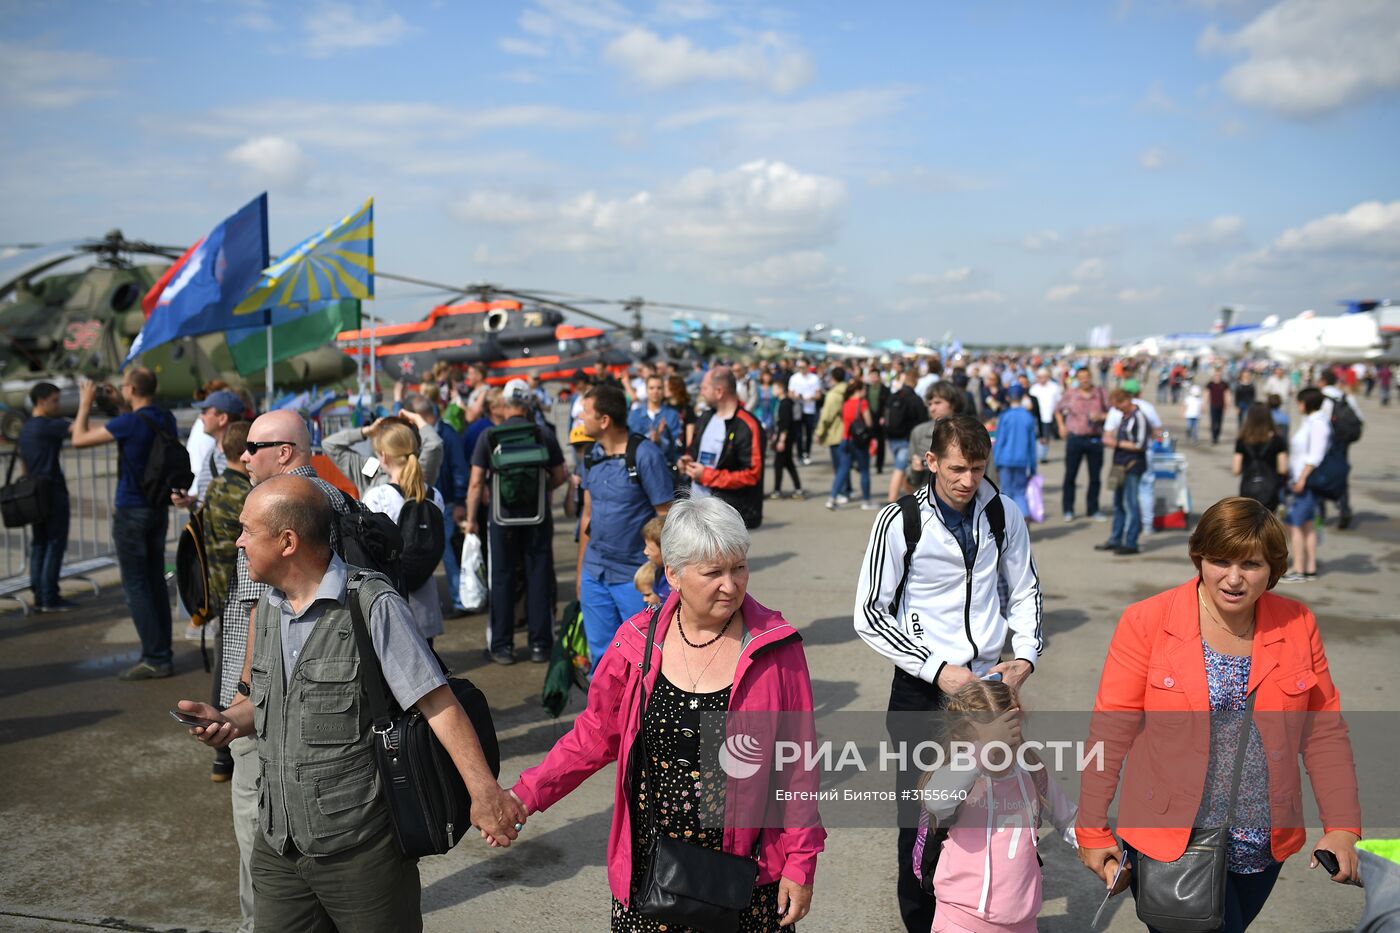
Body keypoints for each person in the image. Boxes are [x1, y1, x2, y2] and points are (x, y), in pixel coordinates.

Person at [175, 475, 525, 932]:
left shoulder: (371, 605)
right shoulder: (267, 610)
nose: (238, 542)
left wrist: (484, 794)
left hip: (362, 854)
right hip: (279, 847)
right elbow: (263, 706)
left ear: (287, 541)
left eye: (247, 531)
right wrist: (226, 721)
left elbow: (439, 705)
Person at [510, 496, 825, 931]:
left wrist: (801, 862)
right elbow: (596, 734)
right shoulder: (637, 642)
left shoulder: (776, 649)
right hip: (652, 872)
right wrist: (526, 795)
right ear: (673, 574)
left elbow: (798, 768)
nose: (731, 586)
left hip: (744, 880)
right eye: (713, 572)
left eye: (739, 568)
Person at [1076, 497, 1362, 932]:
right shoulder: (1148, 622)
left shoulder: (1297, 623)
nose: (1233, 579)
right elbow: (1109, 733)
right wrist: (1092, 831)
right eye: (1219, 560)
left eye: (1250, 564)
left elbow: (1324, 734)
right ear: (1199, 557)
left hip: (1261, 848)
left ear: (1273, 568)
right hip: (1170, 842)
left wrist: (1342, 825)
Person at [853, 415, 1043, 933]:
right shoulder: (899, 521)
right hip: (922, 692)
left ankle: (980, 914)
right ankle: (923, 923)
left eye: (977, 469)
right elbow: (869, 612)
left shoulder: (1003, 513)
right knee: (922, 819)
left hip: (987, 689)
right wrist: (936, 670)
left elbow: (1023, 590)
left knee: (992, 808)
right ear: (930, 461)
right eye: (956, 468)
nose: (967, 480)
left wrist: (1023, 658)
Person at [222, 409, 375, 930]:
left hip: (277, 711)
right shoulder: (334, 500)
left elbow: (264, 610)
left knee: (261, 837)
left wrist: (242, 699)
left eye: (253, 446)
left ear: (285, 452)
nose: (243, 455)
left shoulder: (289, 511)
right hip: (283, 707)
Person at [920, 681, 1078, 933]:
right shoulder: (958, 774)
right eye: (995, 746)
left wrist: (1098, 848)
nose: (1002, 753)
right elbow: (937, 801)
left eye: (1009, 740)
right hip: (961, 921)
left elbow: (1068, 818)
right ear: (961, 735)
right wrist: (983, 752)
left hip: (1023, 922)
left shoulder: (1031, 774)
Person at [71, 368, 180, 680]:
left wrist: (85, 402)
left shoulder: (129, 422)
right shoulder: (165, 417)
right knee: (155, 582)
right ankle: (161, 652)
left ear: (131, 388)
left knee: (136, 587)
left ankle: (156, 658)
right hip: (157, 509)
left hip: (132, 510)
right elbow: (138, 425)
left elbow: (79, 439)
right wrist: (122, 402)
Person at [466, 381, 568, 664]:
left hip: (502, 518)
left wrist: (472, 519)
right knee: (539, 577)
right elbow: (560, 476)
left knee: (501, 579)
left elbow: (476, 483)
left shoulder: (489, 436)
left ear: (505, 404)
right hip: (537, 517)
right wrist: (540, 488)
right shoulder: (542, 433)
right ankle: (540, 645)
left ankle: (501, 646)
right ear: (528, 403)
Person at [576, 383, 675, 670]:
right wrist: (583, 572)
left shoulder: (646, 455)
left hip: (635, 579)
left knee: (642, 659)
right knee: (601, 660)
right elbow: (587, 515)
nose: (580, 419)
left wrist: (662, 582)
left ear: (604, 421)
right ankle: (603, 715)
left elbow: (665, 519)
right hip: (595, 574)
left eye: (585, 414)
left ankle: (637, 715)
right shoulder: (591, 456)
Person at [361, 418, 447, 645]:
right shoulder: (434, 495)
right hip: (425, 596)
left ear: (384, 456)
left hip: (390, 597)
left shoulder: (376, 497)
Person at [407, 393, 470, 617]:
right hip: (435, 503)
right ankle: (457, 598)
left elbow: (459, 469)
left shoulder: (447, 435)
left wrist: (461, 501)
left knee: (446, 553)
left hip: (446, 503)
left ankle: (459, 600)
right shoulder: (439, 434)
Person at [679, 366, 765, 528]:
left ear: (719, 391)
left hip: (726, 515)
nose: (701, 392)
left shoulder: (747, 425)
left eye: (704, 388)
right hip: (697, 510)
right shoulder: (705, 417)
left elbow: (752, 473)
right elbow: (694, 450)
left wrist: (707, 476)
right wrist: (687, 460)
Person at [17, 382, 77, 613]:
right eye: (55, 400)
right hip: (52, 492)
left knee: (40, 543)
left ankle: (40, 594)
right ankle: (49, 595)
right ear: (41, 401)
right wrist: (85, 406)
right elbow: (78, 429)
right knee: (53, 544)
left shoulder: (26, 428)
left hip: (34, 494)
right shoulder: (48, 426)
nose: (58, 405)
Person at [323, 407, 442, 497]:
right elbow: (329, 445)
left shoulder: (417, 470)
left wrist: (366, 432)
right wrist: (417, 419)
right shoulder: (372, 468)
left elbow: (329, 444)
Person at [1281, 387, 1330, 583]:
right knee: (1307, 524)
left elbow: (1315, 456)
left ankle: (1299, 568)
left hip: (1307, 481)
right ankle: (1310, 567)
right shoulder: (1311, 421)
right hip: (1304, 479)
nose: (1298, 406)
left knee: (1294, 523)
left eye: (1300, 402)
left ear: (1306, 403)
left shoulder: (1318, 423)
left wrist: (1301, 478)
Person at [1095, 388, 1150, 556]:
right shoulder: (1124, 417)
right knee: (1118, 503)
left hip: (1132, 465)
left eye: (1117, 405)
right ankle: (1115, 538)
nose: (1116, 409)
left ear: (1125, 401)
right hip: (1120, 465)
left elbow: (1141, 445)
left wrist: (1116, 443)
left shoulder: (1139, 418)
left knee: (1131, 504)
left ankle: (1131, 541)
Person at [1054, 367, 1111, 523]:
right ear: (1077, 379)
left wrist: (1102, 416)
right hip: (1075, 438)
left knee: (1095, 477)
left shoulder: (1101, 393)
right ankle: (1068, 509)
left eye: (1086, 377)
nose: (1084, 380)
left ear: (1091, 377)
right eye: (1081, 377)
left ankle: (1093, 508)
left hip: (1095, 438)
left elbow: (1113, 413)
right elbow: (1058, 410)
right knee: (1070, 475)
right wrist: (1061, 426)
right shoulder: (1071, 393)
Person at [1318, 370, 1363, 529]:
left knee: (1320, 476)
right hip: (1342, 442)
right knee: (1341, 473)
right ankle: (1344, 509)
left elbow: (1319, 423)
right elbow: (1360, 418)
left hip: (1326, 443)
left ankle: (1320, 514)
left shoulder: (1321, 397)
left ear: (1323, 381)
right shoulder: (1345, 396)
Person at [905, 382, 968, 491]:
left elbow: (987, 473)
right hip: (929, 499)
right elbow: (912, 480)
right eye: (929, 404)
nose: (932, 408)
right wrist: (915, 469)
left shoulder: (970, 431)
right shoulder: (919, 432)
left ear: (953, 404)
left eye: (937, 403)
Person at [884, 367, 929, 503]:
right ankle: (891, 501)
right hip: (907, 440)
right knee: (899, 469)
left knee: (903, 469)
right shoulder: (915, 399)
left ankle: (912, 498)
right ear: (915, 381)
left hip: (892, 439)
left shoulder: (894, 396)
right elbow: (923, 422)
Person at [991, 385, 1038, 516]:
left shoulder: (1005, 417)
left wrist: (995, 460)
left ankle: (1009, 524)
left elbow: (1000, 441)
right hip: (1022, 460)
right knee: (1020, 492)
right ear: (1023, 397)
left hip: (1004, 459)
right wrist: (1033, 466)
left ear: (1007, 397)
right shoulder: (1028, 417)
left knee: (1006, 492)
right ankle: (1024, 519)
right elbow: (1031, 445)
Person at [831, 379, 877, 511]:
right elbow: (868, 423)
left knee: (843, 469)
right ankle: (866, 500)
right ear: (860, 390)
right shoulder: (863, 403)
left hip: (845, 439)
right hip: (859, 441)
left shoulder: (845, 403)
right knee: (864, 471)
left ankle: (832, 498)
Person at [1233, 403, 1288, 512]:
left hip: (1248, 487)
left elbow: (1236, 470)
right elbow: (1283, 469)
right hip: (1270, 487)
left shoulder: (1242, 440)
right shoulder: (1277, 440)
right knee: (1269, 521)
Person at [628, 373, 683, 467]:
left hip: (664, 466)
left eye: (659, 388)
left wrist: (661, 440)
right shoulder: (634, 415)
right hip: (640, 466)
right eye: (651, 388)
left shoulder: (672, 415)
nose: (655, 391)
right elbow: (630, 444)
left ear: (663, 390)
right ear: (646, 390)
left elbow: (675, 448)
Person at [769, 377, 805, 499]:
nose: (772, 390)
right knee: (788, 463)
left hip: (785, 438)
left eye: (774, 388)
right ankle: (797, 488)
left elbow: (785, 424)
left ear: (780, 389)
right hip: (782, 437)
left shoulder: (785, 404)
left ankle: (777, 491)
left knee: (779, 464)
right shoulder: (782, 402)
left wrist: (781, 440)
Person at [788, 362, 822, 464]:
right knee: (798, 434)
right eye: (799, 367)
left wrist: (811, 397)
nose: (801, 369)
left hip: (809, 409)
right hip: (798, 408)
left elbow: (818, 394)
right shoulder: (794, 378)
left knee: (808, 433)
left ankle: (806, 453)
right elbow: (790, 393)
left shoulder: (814, 378)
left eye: (803, 367)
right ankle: (799, 455)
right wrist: (796, 396)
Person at [1028, 368, 1062, 464]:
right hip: (1035, 416)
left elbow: (1058, 401)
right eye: (1040, 377)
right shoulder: (1034, 388)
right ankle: (1037, 454)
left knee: (1045, 437)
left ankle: (1043, 455)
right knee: (1037, 436)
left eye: (1044, 377)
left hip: (1048, 416)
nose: (1042, 379)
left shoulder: (1054, 387)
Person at [1206, 369, 1232, 445]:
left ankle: (1217, 435)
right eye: (1216, 375)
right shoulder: (1210, 384)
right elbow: (1206, 393)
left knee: (1219, 422)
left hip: (1221, 405)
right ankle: (1213, 437)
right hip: (1213, 405)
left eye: (1219, 375)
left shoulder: (1224, 384)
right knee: (1213, 422)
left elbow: (1227, 395)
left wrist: (1227, 405)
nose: (1217, 376)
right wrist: (1204, 404)